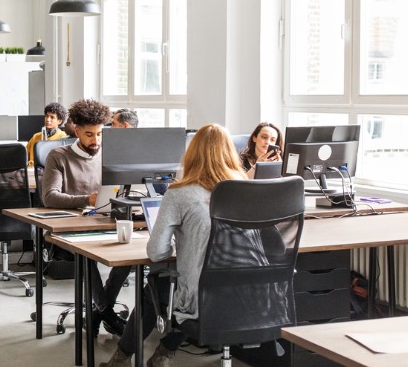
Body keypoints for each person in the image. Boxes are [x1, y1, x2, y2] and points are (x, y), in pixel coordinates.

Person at [100, 123, 248, 367]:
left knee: (158, 286)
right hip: (249, 294)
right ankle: (163, 354)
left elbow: (156, 252)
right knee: (188, 283)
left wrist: (185, 247)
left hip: (200, 298)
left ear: (190, 154)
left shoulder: (180, 193)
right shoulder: (249, 190)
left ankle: (122, 359)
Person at [42, 99, 130, 336]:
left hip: (104, 221)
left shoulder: (109, 154)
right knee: (86, 256)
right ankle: (107, 312)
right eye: (89, 135)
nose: (96, 141)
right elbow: (49, 197)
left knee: (131, 254)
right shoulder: (58, 156)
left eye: (100, 134)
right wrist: (87, 200)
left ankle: (99, 312)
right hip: (69, 228)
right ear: (77, 131)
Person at [25, 102, 69, 166]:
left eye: (52, 117)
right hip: (32, 171)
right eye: (46, 116)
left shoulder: (63, 138)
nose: (48, 120)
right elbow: (24, 155)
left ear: (59, 121)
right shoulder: (36, 137)